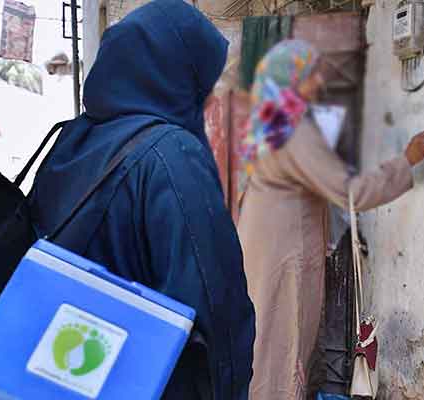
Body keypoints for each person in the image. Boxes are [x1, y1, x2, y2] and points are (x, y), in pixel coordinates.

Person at [27, 1, 255, 399]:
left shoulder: (72, 141)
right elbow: (216, 310)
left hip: (65, 376)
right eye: (206, 82)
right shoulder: (171, 154)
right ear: (178, 75)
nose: (212, 100)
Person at [236, 40, 424, 400]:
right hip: (284, 255)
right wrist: (406, 161)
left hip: (263, 249)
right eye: (311, 78)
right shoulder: (294, 130)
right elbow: (351, 192)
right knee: (282, 346)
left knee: (263, 339)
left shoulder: (268, 121)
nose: (318, 86)